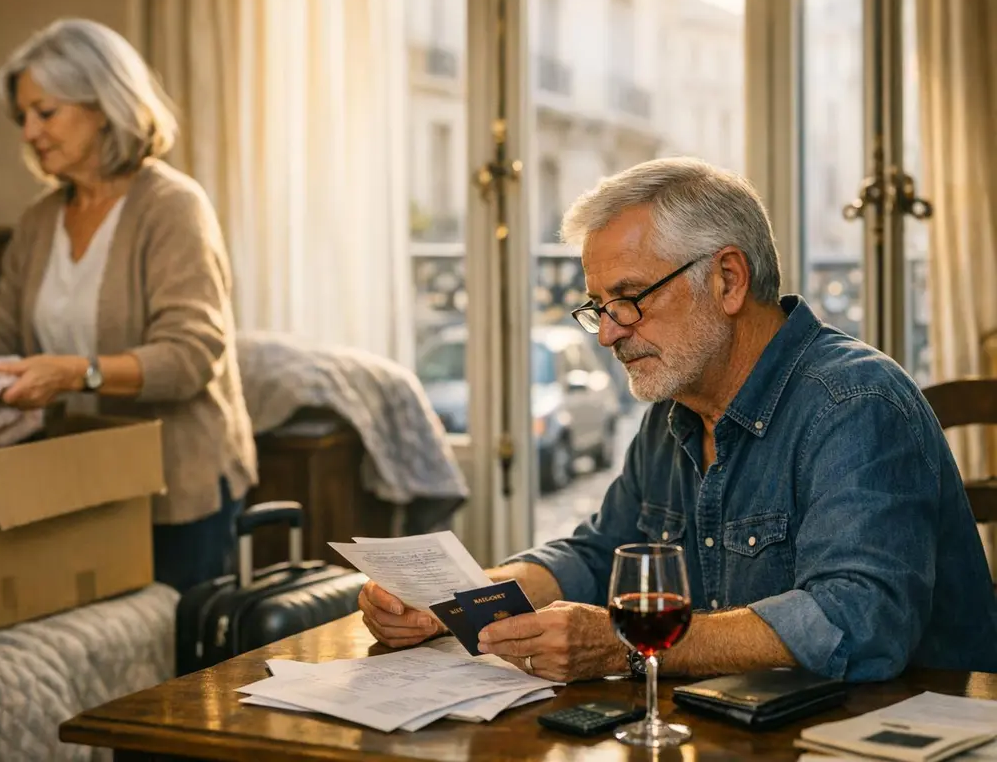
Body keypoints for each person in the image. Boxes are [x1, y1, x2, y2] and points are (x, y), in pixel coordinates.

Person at [359, 157, 997, 682]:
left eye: (630, 299)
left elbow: (860, 621)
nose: (607, 335)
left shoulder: (855, 404)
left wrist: (627, 644)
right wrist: (457, 602)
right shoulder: (675, 409)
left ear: (726, 279)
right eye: (598, 306)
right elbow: (593, 553)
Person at [0, 18, 257, 593]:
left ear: (103, 103)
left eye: (45, 111)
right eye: (23, 118)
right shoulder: (39, 221)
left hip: (178, 488)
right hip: (81, 481)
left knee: (181, 668)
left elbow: (189, 357)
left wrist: (77, 374)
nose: (30, 132)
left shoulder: (172, 207)